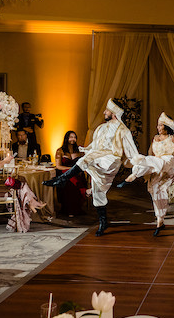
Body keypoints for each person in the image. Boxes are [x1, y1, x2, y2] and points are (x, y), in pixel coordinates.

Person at [43, 99, 139, 236]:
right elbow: (94, 146)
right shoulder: (101, 128)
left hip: (111, 160)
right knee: (98, 193)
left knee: (86, 159)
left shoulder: (123, 131)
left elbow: (132, 152)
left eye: (107, 110)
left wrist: (139, 165)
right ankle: (103, 222)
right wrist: (85, 149)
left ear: (113, 113)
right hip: (98, 160)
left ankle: (62, 179)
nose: (104, 112)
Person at [118, 113, 174, 236]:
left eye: (160, 125)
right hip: (156, 166)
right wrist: (147, 168)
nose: (158, 127)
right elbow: (150, 154)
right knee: (156, 191)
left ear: (166, 127)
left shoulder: (173, 138)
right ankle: (160, 221)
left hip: (168, 163)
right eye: (158, 125)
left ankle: (132, 176)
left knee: (153, 161)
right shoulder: (155, 138)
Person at [0, 136, 46, 233]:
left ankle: (31, 202)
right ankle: (30, 204)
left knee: (20, 181)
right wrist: (5, 161)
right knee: (17, 188)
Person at [55, 131, 87, 217]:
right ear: (66, 138)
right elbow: (58, 166)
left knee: (79, 179)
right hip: (65, 173)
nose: (73, 139)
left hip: (77, 173)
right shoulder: (60, 150)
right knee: (69, 182)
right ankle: (69, 209)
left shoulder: (79, 150)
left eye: (74, 137)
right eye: (71, 137)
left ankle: (77, 208)